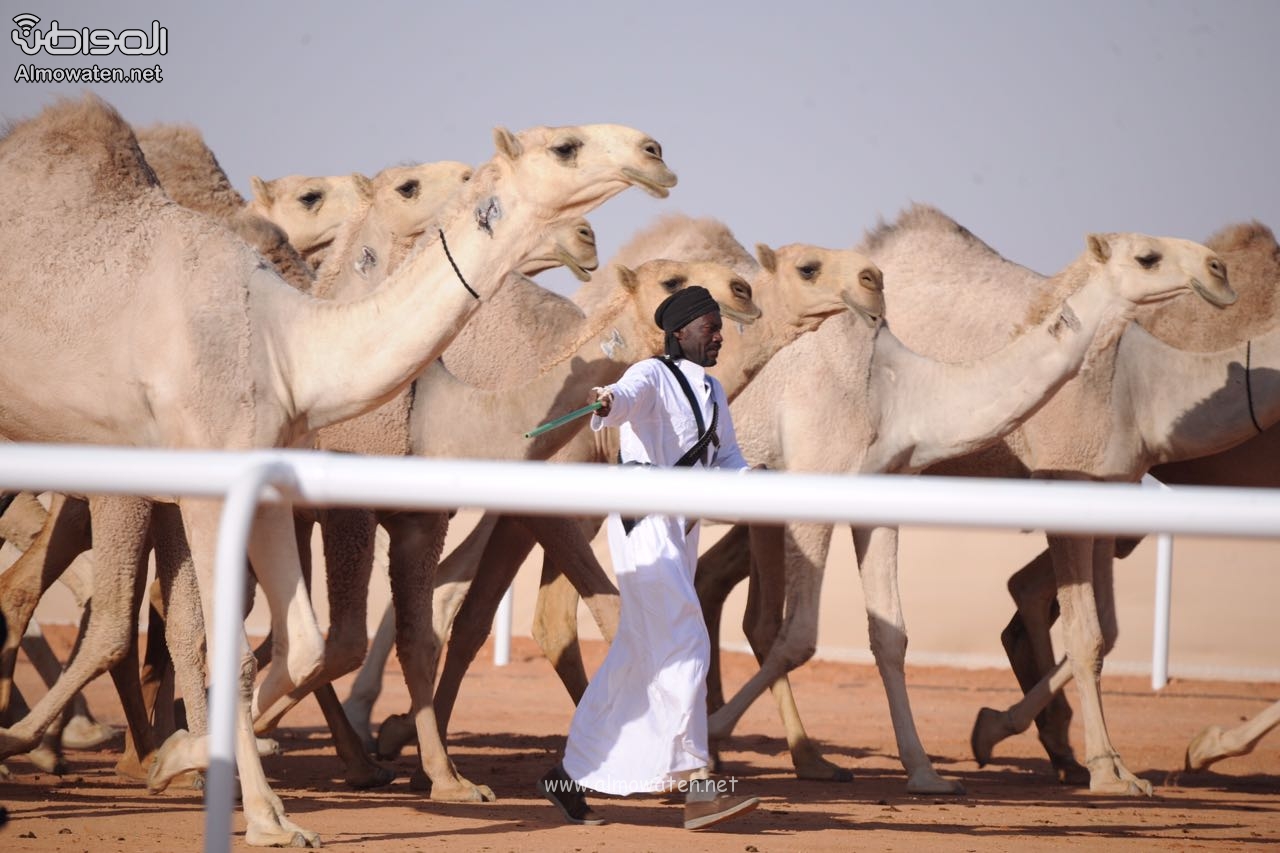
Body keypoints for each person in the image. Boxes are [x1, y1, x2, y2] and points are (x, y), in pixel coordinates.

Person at [539, 285, 763, 831]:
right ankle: (696, 786)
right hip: (645, 523)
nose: (719, 334)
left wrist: (759, 481)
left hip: (682, 530)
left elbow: (726, 458)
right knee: (686, 640)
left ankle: (568, 778)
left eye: (720, 326)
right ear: (680, 332)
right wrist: (608, 400)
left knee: (638, 657)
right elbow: (626, 394)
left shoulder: (712, 390)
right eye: (710, 326)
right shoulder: (651, 375)